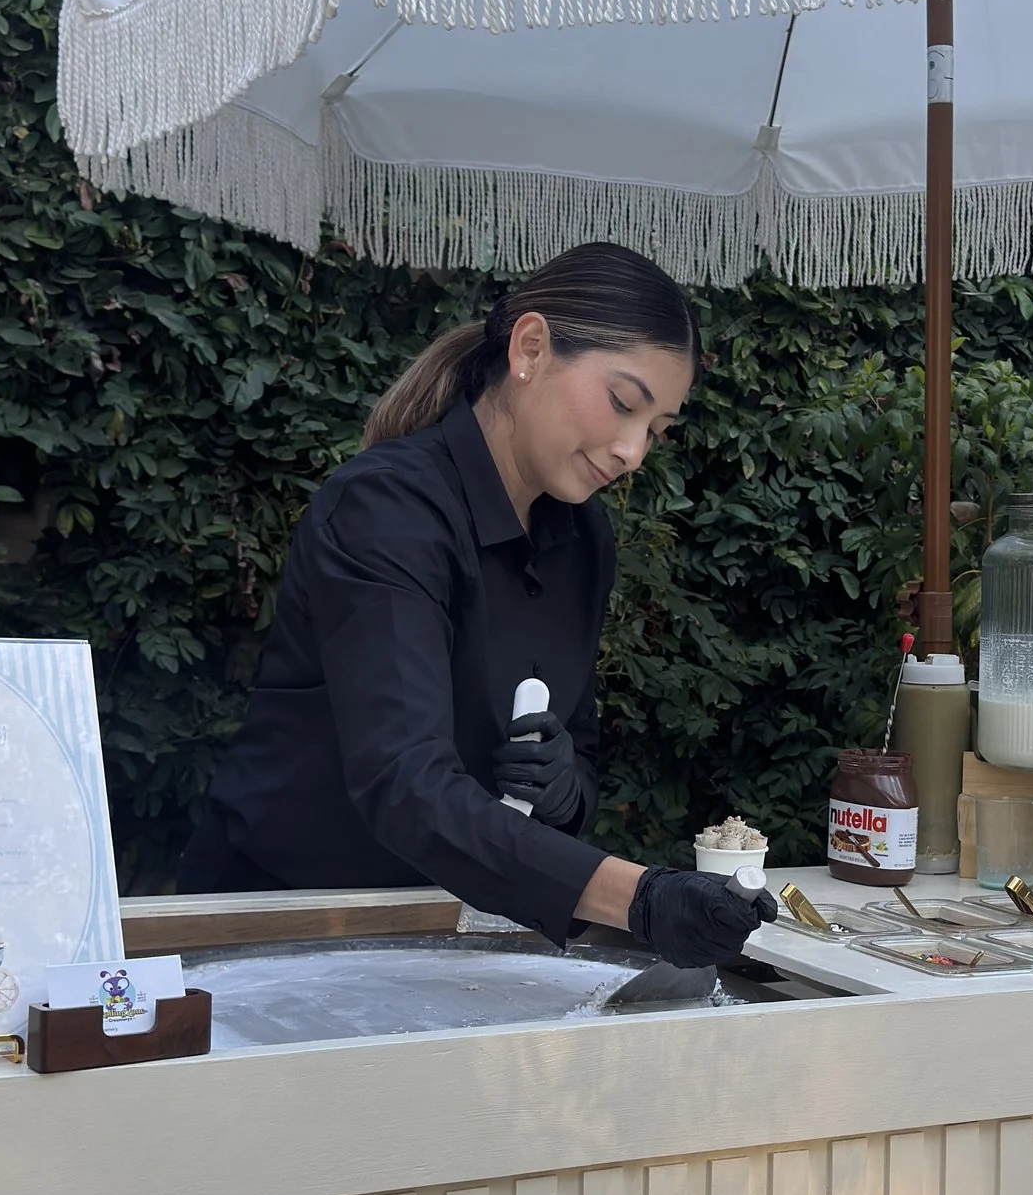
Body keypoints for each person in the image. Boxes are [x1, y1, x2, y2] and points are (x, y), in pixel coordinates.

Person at [178, 243, 777, 969]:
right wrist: (639, 897)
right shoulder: (388, 507)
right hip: (277, 927)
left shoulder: (583, 538)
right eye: (623, 403)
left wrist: (562, 787)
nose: (632, 451)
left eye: (656, 430)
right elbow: (407, 784)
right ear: (530, 347)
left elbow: (580, 755)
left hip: (448, 933)